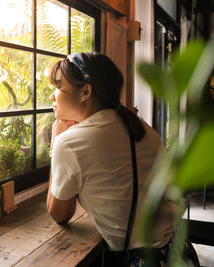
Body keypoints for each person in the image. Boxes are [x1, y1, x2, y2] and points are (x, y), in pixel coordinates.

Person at [46, 52, 200, 266]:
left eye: (58, 86)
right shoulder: (138, 125)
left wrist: (56, 140)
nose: (52, 96)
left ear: (85, 92)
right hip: (179, 251)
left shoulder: (70, 142)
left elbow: (59, 214)